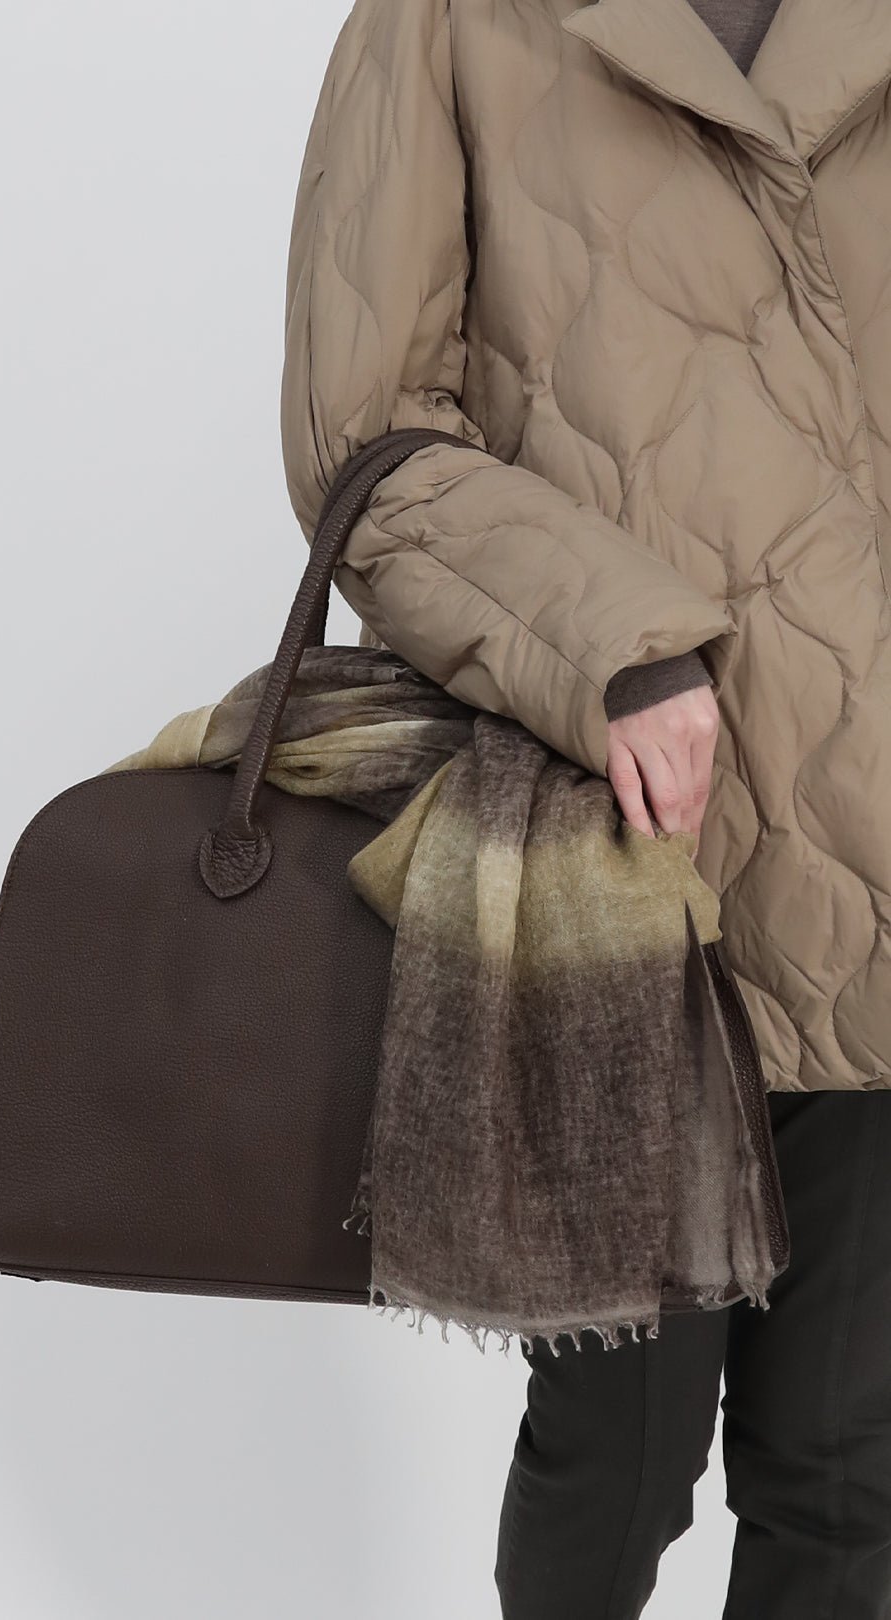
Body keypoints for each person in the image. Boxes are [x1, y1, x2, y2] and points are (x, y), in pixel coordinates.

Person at [279, 0, 891, 1614]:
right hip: (619, 856)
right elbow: (364, 439)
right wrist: (610, 641)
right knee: (618, 1458)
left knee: (850, 1472)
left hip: (876, 837)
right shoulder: (447, 22)